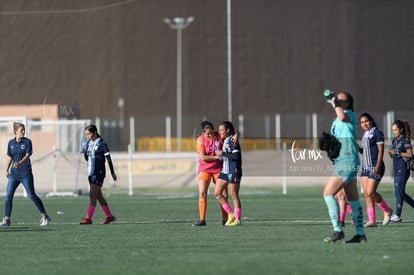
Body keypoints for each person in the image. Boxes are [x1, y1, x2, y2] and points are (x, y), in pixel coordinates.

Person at [323, 91, 367, 243]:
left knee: (328, 193)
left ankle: (337, 229)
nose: (337, 100)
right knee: (353, 198)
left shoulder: (350, 115)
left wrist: (334, 103)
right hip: (343, 160)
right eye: (337, 99)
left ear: (348, 103)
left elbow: (343, 117)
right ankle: (360, 234)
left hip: (347, 161)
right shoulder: (337, 119)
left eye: (341, 99)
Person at [1, 122, 51, 226]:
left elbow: (28, 155)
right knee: (8, 196)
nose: (23, 132)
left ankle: (45, 216)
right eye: (21, 130)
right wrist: (6, 169)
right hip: (14, 174)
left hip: (25, 174)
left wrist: (20, 162)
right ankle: (7, 219)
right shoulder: (11, 143)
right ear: (15, 131)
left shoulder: (27, 142)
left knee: (31, 195)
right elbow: (10, 157)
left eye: (24, 130)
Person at [359, 113, 392, 227]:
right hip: (365, 168)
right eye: (362, 122)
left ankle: (387, 210)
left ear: (371, 121)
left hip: (375, 166)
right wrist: (357, 147)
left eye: (367, 121)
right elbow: (364, 152)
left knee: (371, 192)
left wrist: (378, 165)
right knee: (367, 195)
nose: (365, 124)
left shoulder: (377, 132)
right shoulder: (364, 135)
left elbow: (381, 150)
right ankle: (372, 221)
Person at [79, 124, 117, 225]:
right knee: (98, 196)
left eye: (89, 134)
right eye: (86, 134)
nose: (87, 136)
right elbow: (87, 159)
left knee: (92, 194)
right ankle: (110, 216)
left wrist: (112, 172)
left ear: (95, 132)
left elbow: (108, 158)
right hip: (91, 172)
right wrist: (84, 152)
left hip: (98, 172)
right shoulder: (88, 143)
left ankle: (88, 218)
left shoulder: (102, 143)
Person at [193, 121, 228, 226]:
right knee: (202, 193)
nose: (210, 135)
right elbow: (203, 157)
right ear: (203, 132)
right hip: (205, 169)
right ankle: (202, 220)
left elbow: (232, 133)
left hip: (218, 169)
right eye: (207, 133)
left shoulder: (219, 135)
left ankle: (225, 219)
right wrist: (218, 157)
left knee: (223, 194)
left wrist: (237, 135)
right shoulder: (200, 140)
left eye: (212, 132)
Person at [214, 121, 243, 226]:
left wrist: (223, 153)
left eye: (222, 130)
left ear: (228, 130)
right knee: (217, 193)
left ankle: (237, 219)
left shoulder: (232, 140)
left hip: (233, 170)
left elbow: (236, 157)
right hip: (225, 171)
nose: (220, 132)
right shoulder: (225, 139)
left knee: (234, 195)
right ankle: (230, 214)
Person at [387, 119, 414, 222]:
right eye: (393, 130)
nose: (394, 131)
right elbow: (392, 155)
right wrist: (390, 152)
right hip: (397, 168)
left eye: (395, 129)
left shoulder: (405, 140)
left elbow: (410, 154)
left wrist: (398, 153)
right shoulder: (394, 140)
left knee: (398, 192)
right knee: (400, 193)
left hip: (403, 168)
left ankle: (397, 215)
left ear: (401, 129)